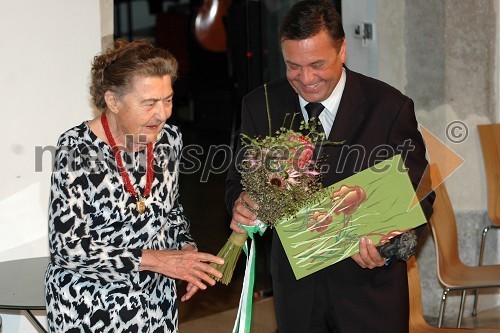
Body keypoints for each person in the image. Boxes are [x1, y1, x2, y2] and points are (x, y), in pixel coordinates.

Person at [225, 1, 435, 332]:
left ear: (343, 50)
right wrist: (240, 205)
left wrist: (389, 246)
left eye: (317, 64)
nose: (305, 78)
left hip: (369, 291)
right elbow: (237, 180)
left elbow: (420, 191)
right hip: (296, 290)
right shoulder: (259, 105)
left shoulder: (389, 106)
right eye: (293, 66)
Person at [44, 39, 224, 333]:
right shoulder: (77, 149)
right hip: (90, 307)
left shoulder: (169, 139)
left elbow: (171, 210)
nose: (162, 114)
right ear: (113, 101)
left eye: (167, 100)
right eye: (149, 103)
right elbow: (68, 248)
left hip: (155, 304)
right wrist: (157, 260)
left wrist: (186, 252)